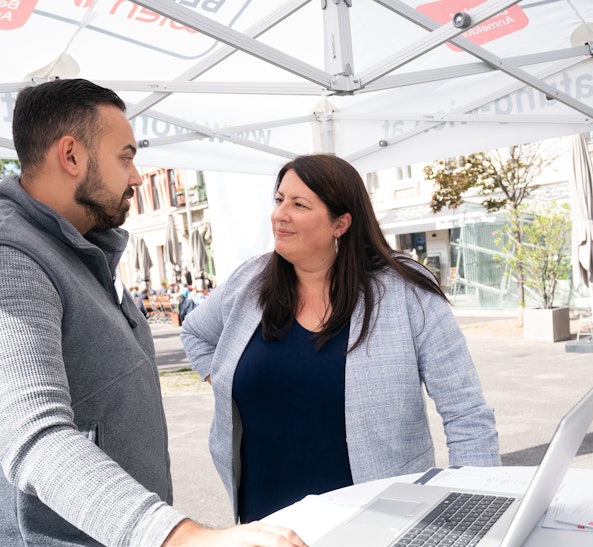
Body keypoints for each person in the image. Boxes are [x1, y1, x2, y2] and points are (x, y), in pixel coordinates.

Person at [0, 78, 315, 547]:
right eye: (127, 155)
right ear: (71, 155)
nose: (137, 175)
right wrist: (182, 540)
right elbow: (36, 441)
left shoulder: (75, 248)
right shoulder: (5, 262)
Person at [180, 153, 500, 523]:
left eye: (299, 204)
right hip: (267, 526)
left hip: (378, 522)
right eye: (280, 199)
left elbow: (466, 413)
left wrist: (479, 513)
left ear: (341, 223)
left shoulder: (406, 292)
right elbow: (196, 333)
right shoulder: (250, 282)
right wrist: (222, 379)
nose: (280, 214)